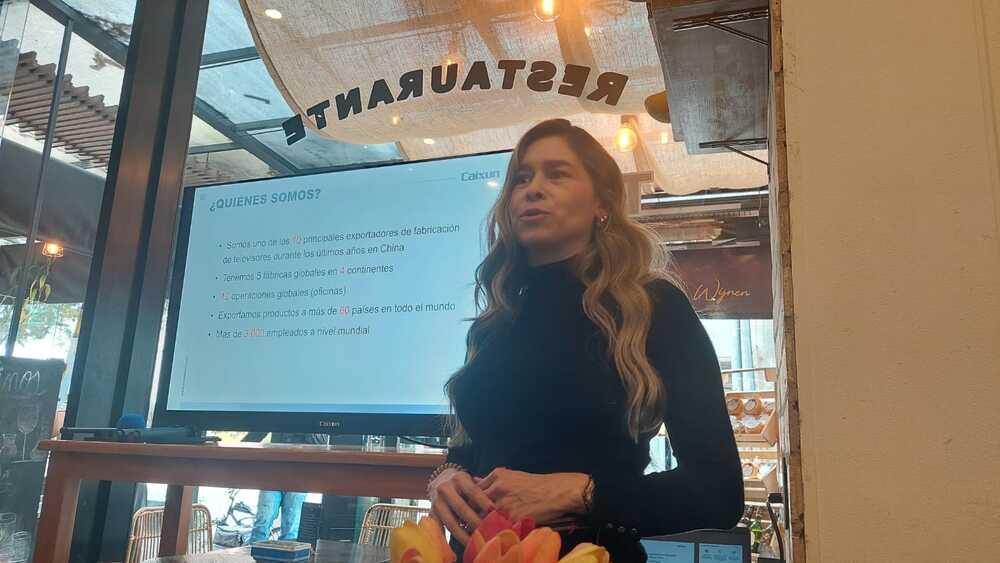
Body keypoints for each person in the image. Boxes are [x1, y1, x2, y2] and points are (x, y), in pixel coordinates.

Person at [427, 119, 744, 563]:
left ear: (602, 202)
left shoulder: (653, 307)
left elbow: (719, 492)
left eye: (556, 173)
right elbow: (472, 448)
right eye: (522, 177)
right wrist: (445, 478)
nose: (532, 188)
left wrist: (582, 492)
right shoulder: (494, 323)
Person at [242, 432, 328, 543]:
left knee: (290, 528)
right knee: (262, 522)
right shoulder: (279, 415)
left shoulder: (313, 417)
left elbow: (322, 441)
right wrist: (235, 451)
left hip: (300, 475)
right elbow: (259, 429)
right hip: (273, 471)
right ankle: (253, 557)